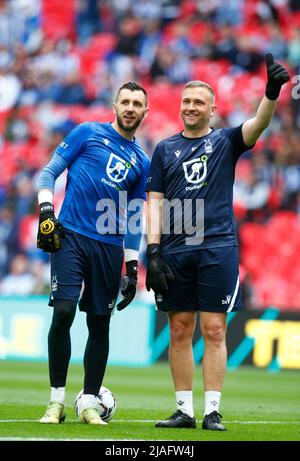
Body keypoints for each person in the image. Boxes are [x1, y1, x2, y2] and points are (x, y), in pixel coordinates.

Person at [146, 54, 290, 431]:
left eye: (198, 102)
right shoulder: (163, 150)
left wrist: (270, 93)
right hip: (175, 251)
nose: (190, 107)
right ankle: (183, 411)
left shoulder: (226, 140)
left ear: (213, 109)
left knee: (214, 329)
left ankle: (212, 411)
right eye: (185, 102)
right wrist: (153, 250)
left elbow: (258, 124)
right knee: (179, 328)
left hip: (218, 247)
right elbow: (155, 203)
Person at [37, 82, 149, 425]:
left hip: (109, 247)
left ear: (145, 112)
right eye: (125, 101)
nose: (130, 108)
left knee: (100, 323)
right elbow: (49, 171)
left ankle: (87, 403)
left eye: (137, 104)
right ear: (114, 106)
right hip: (70, 235)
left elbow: (133, 216)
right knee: (64, 312)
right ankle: (56, 402)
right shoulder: (87, 133)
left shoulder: (142, 162)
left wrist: (131, 263)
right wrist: (46, 211)